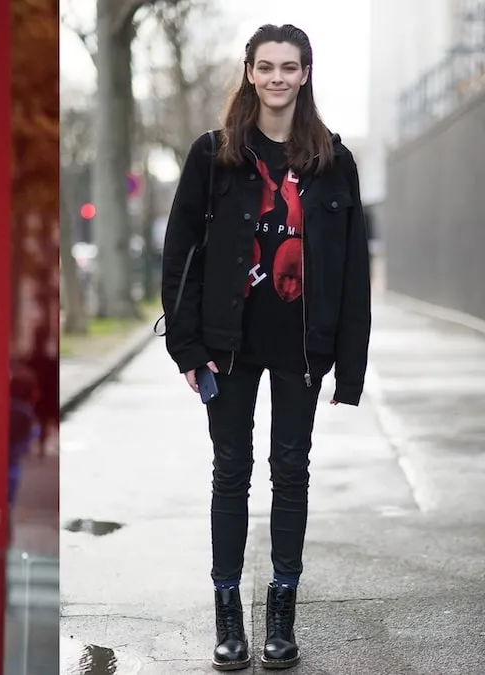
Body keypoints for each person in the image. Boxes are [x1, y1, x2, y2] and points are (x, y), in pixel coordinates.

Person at [159, 24, 371, 671]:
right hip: (228, 344)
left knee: (292, 471)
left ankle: (283, 612)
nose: (278, 77)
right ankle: (229, 613)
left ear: (306, 73)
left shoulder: (333, 161)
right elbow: (179, 254)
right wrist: (187, 346)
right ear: (249, 72)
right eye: (266, 66)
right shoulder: (214, 154)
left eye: (290, 67)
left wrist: (351, 367)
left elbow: (353, 267)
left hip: (303, 347)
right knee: (230, 472)